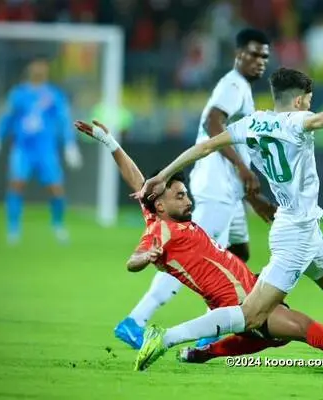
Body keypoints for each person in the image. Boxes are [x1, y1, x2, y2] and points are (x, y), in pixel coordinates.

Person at [135, 67, 323, 376]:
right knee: (251, 315)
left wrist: (163, 174)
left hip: (305, 226)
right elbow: (322, 119)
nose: (310, 106)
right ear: (299, 101)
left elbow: (205, 146)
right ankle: (166, 338)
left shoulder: (250, 124)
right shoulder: (296, 121)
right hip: (294, 235)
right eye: (309, 100)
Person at [114, 28, 273, 349]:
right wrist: (243, 170)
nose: (259, 61)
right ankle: (135, 322)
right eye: (253, 54)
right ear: (238, 54)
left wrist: (251, 195)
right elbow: (213, 123)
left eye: (264, 57)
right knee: (188, 258)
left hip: (227, 194)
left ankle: (211, 328)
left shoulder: (242, 88)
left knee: (237, 253)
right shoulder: (232, 84)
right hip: (213, 191)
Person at [0, 56, 82, 244]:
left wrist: (70, 145)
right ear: (30, 69)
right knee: (16, 184)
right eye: (36, 65)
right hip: (23, 149)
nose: (39, 69)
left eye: (42, 66)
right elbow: (7, 119)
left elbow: (64, 120)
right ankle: (13, 229)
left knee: (56, 189)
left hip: (46, 150)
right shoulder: (19, 94)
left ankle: (58, 225)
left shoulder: (54, 94)